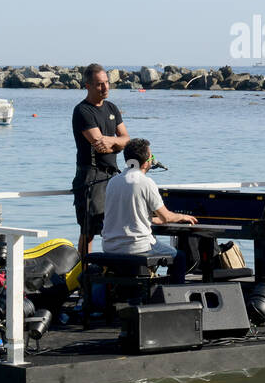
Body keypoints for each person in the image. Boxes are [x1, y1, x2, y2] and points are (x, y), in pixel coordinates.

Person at [100, 138, 197, 279]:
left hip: (109, 246)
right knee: (179, 257)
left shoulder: (113, 182)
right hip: (136, 247)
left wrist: (151, 220)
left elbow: (131, 216)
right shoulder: (146, 182)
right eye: (151, 156)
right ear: (146, 162)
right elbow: (166, 217)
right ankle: (174, 297)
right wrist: (182, 217)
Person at [72, 63, 129, 253]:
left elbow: (127, 140)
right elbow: (99, 145)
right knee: (88, 229)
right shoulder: (82, 111)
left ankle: (110, 269)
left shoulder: (112, 108)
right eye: (99, 84)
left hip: (112, 175)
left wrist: (111, 141)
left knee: (115, 225)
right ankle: (83, 274)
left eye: (106, 83)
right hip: (91, 176)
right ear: (87, 86)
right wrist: (116, 142)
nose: (105, 88)